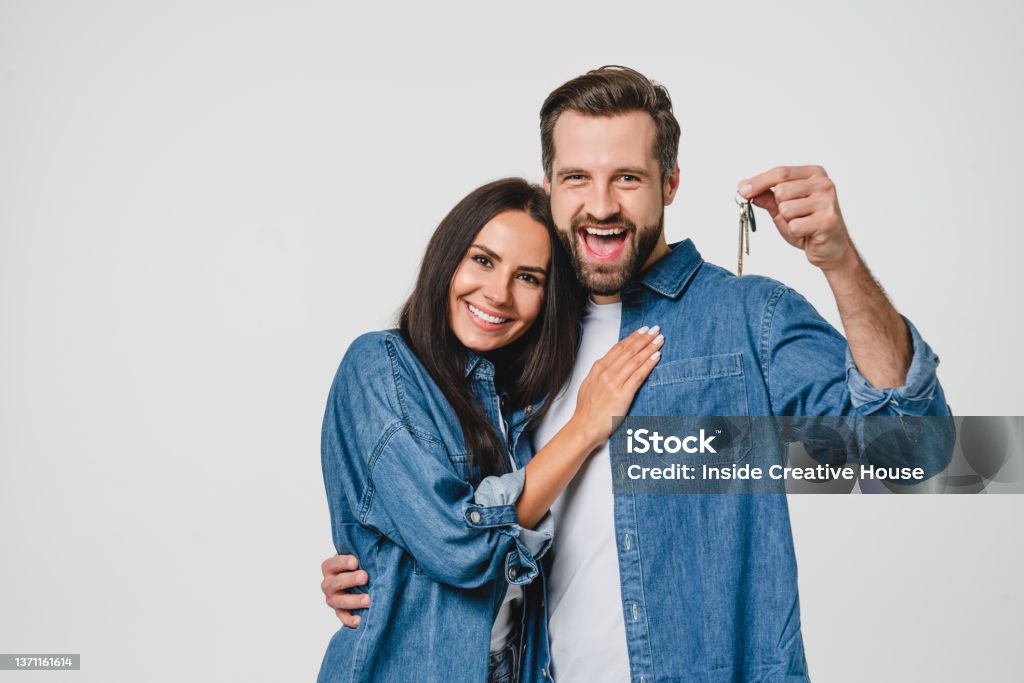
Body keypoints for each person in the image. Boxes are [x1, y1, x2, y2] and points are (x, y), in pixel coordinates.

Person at [322, 67, 951, 682]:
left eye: (627, 178)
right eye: (577, 178)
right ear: (549, 186)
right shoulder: (515, 334)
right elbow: (458, 523)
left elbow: (912, 455)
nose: (601, 205)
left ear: (670, 182)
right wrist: (382, 569)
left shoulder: (743, 317)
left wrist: (838, 262)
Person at [316, 177, 666, 683]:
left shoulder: (515, 405)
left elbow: (818, 452)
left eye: (528, 277)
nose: (498, 294)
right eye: (483, 260)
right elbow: (458, 545)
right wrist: (586, 426)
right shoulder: (379, 365)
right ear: (447, 258)